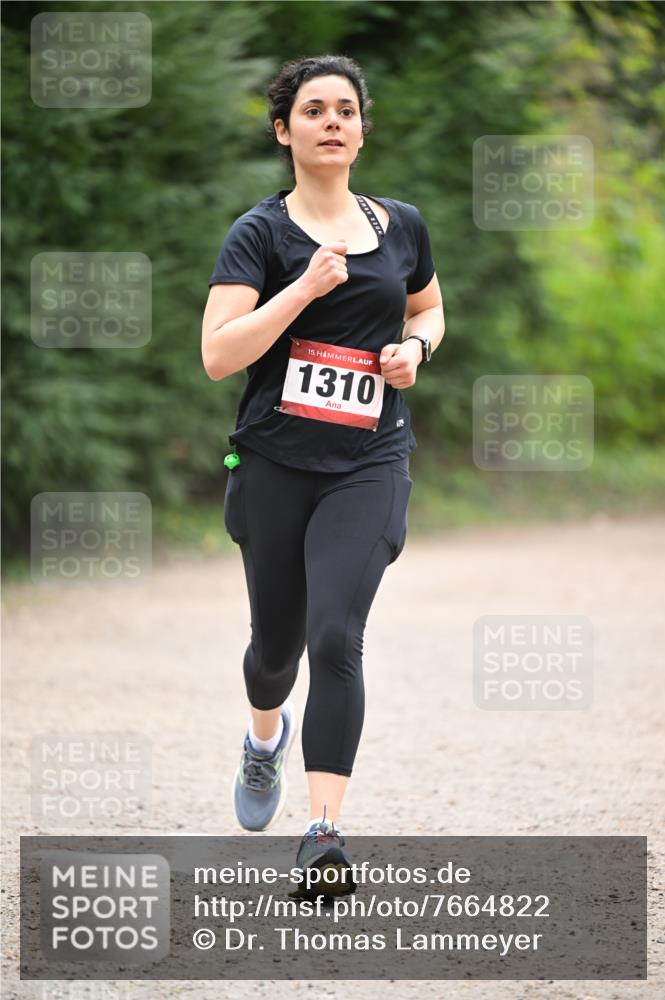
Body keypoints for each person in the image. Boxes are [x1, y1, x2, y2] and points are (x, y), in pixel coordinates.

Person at [201, 54, 445, 895]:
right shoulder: (258, 235)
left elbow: (427, 306)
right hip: (274, 461)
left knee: (334, 636)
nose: (332, 121)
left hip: (370, 459)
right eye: (313, 110)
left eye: (346, 109)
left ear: (362, 131)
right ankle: (263, 736)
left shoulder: (402, 225)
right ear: (284, 131)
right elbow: (218, 354)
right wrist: (302, 289)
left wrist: (415, 348)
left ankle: (323, 833)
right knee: (274, 651)